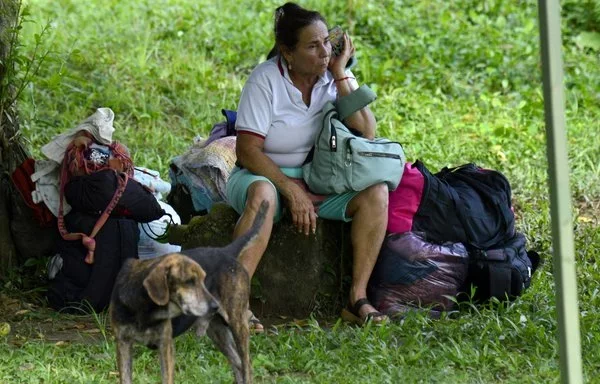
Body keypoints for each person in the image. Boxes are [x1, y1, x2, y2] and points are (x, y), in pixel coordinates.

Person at [226, 2, 389, 330]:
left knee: (376, 192)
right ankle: (233, 301)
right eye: (313, 46)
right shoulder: (265, 80)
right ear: (288, 52)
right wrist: (290, 190)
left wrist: (341, 73)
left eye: (327, 42)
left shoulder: (334, 75)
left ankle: (357, 298)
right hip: (261, 174)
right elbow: (247, 150)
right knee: (264, 195)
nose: (324, 52)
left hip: (317, 177)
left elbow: (366, 131)